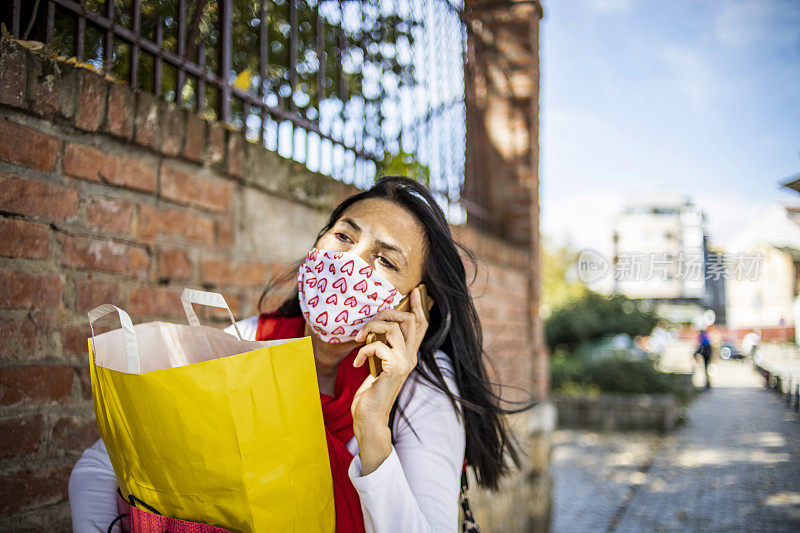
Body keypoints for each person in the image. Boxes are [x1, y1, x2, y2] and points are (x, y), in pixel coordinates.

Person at [69, 176, 528, 532]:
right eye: (345, 237)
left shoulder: (422, 386)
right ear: (317, 246)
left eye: (386, 261)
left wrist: (372, 426)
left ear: (416, 304)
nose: (352, 263)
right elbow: (99, 467)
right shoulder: (246, 343)